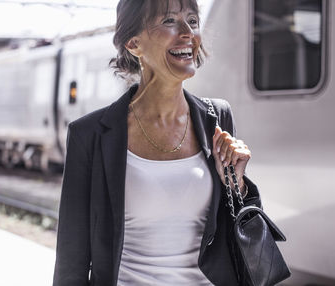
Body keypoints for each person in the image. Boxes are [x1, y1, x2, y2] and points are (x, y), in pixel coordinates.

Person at [53, 0, 261, 285]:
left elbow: (237, 229)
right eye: (169, 21)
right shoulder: (89, 135)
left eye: (192, 20)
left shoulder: (217, 118)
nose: (188, 32)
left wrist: (238, 184)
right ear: (133, 43)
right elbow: (71, 264)